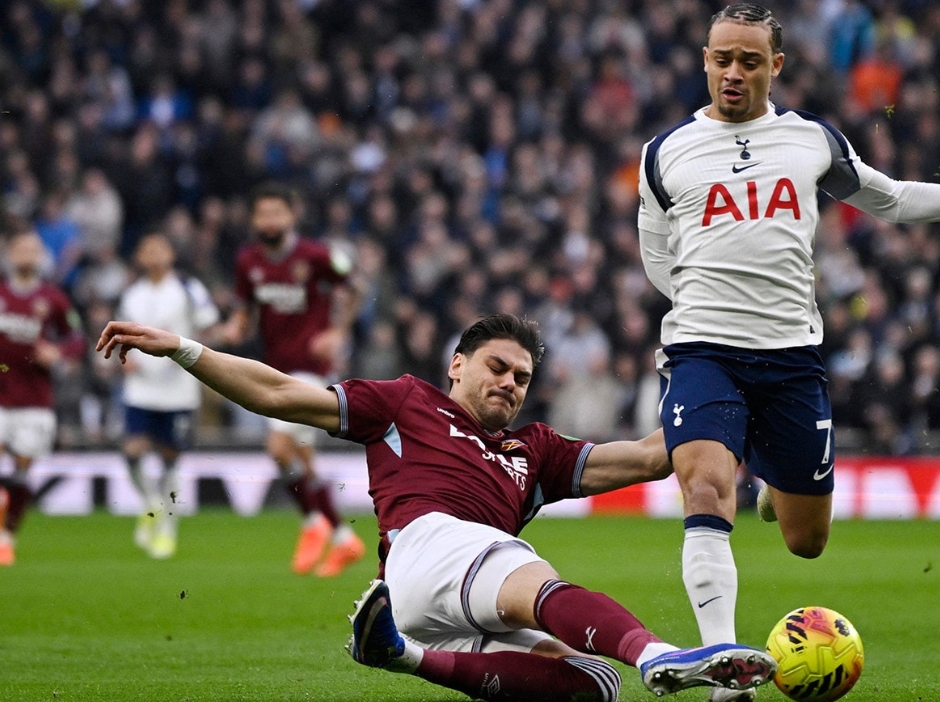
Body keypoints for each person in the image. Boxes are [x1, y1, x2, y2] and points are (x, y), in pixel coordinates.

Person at [636, 3, 940, 700]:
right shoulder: (665, 153)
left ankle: (776, 484)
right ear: (704, 61)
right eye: (721, 59)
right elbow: (659, 262)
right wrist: (708, 305)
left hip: (790, 358)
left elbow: (892, 200)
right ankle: (725, 666)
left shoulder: (811, 142)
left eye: (749, 60)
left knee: (807, 541)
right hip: (703, 349)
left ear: (777, 65)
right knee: (706, 487)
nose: (733, 73)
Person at [96, 313, 778, 702]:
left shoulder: (533, 448)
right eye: (497, 368)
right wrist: (183, 350)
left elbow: (655, 455)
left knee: (592, 684)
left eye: (522, 378)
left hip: (427, 605)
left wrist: (703, 382)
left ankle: (399, 654)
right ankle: (660, 655)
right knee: (536, 578)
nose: (510, 384)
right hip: (430, 544)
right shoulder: (403, 402)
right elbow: (276, 394)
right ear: (456, 365)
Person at [222, 182, 365, 577]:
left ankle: (312, 524)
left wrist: (339, 331)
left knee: (278, 447)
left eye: (276, 213)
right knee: (302, 459)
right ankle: (341, 537)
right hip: (275, 368)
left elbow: (355, 285)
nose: (269, 220)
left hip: (311, 369)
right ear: (253, 219)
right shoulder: (247, 260)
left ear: (292, 215)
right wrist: (235, 327)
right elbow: (244, 307)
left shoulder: (315, 256)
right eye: (262, 214)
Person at [115, 233, 221, 558]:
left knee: (171, 459)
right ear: (139, 256)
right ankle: (151, 502)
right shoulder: (132, 294)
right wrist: (125, 359)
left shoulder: (189, 290)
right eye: (147, 249)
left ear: (171, 254)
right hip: (141, 387)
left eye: (160, 248)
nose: (153, 255)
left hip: (178, 389)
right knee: (132, 449)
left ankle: (167, 530)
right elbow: (121, 331)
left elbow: (208, 325)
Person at [0, 232, 85, 565]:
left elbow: (77, 337)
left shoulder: (53, 298)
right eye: (20, 247)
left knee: (21, 474)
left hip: (35, 400)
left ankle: (7, 536)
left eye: (32, 250)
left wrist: (59, 352)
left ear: (41, 257)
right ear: (9, 253)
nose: (26, 254)